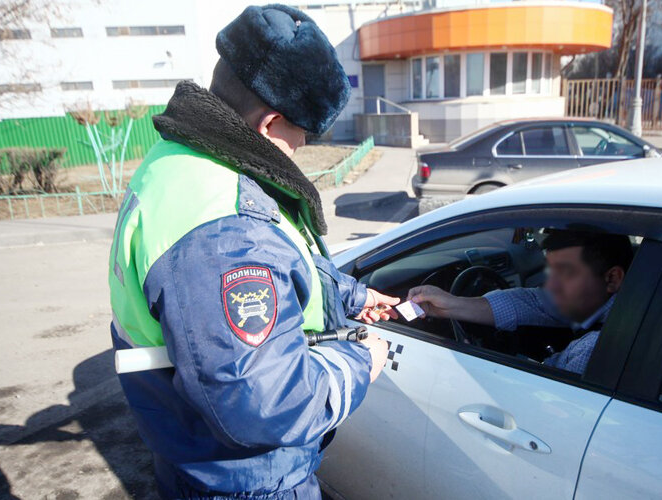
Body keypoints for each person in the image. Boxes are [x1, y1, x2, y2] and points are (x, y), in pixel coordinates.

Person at [107, 5, 399, 499]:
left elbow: (285, 256)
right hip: (244, 480)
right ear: (270, 124)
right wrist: (359, 360)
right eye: (303, 132)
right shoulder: (227, 233)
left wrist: (351, 296)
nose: (304, 144)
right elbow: (262, 402)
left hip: (194, 449)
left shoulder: (182, 161)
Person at [407, 230, 633, 374]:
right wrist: (451, 304)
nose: (550, 284)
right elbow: (534, 302)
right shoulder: (610, 302)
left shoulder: (593, 350)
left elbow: (547, 393)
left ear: (612, 278)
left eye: (565, 273)